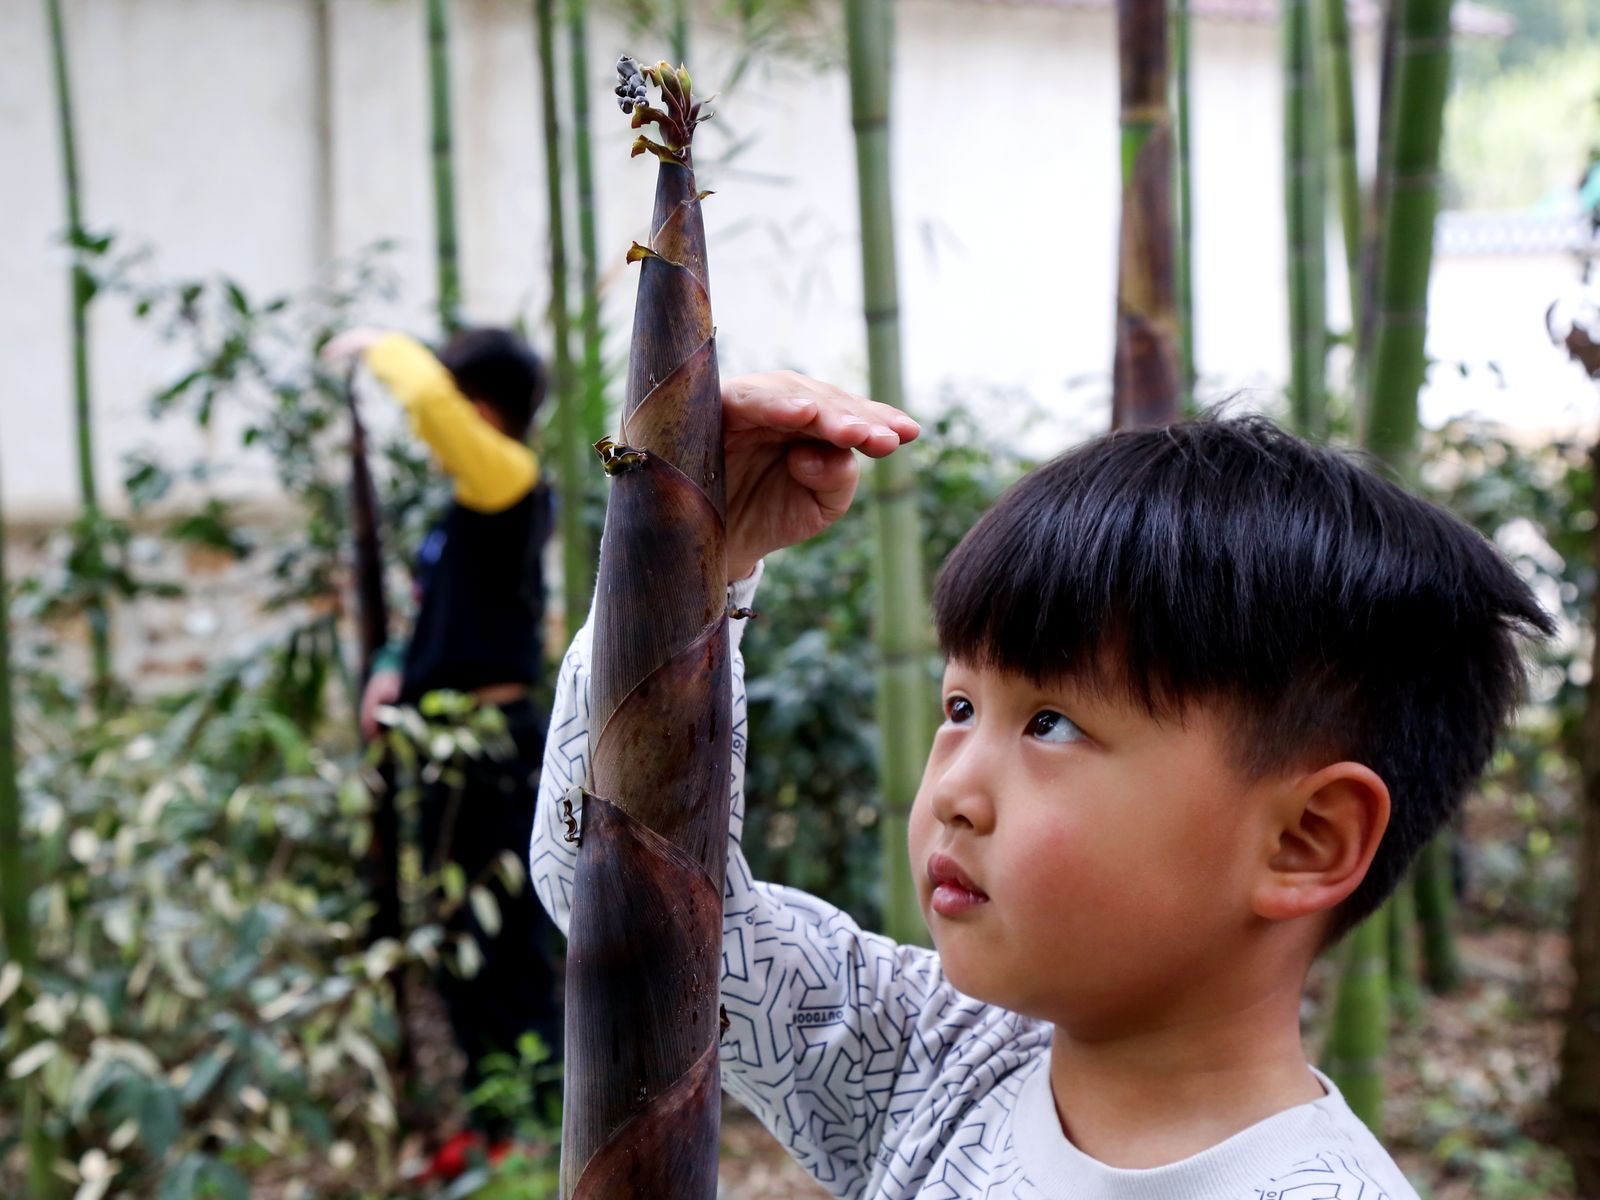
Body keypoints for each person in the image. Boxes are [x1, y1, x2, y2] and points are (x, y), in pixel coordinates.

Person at [528, 376, 1551, 1198]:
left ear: (1304, 840)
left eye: (1051, 724)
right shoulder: (930, 1061)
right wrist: (689, 562)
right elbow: (618, 889)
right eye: (960, 707)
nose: (955, 792)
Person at [324, 326, 562, 1161]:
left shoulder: (509, 478)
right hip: (444, 751)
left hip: (490, 750)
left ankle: (531, 1128)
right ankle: (486, 1124)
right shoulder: (464, 507)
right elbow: (437, 617)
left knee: (506, 945)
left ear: (481, 411)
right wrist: (395, 667)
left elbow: (425, 399)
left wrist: (380, 344)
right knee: (459, 940)